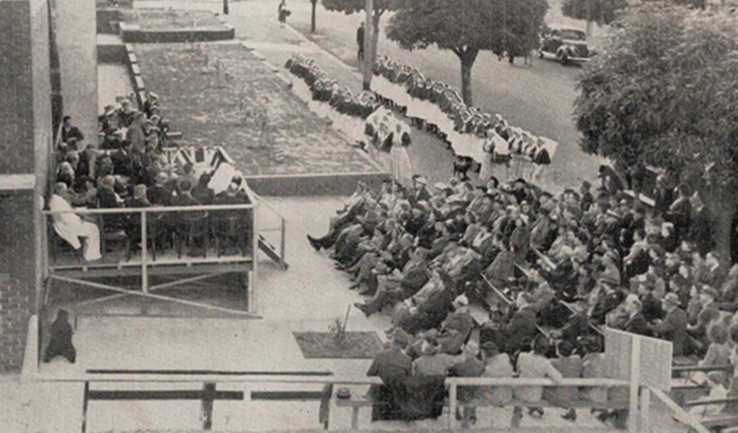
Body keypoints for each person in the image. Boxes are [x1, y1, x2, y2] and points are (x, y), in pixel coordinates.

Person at [514, 336, 563, 420]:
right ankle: (534, 407)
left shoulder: (522, 356)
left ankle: (518, 414)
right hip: (534, 397)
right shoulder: (545, 363)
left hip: (518, 393)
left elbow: (518, 372)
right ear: (545, 349)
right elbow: (558, 379)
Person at [49, 183, 102, 261]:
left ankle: (89, 253)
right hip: (67, 225)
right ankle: (90, 255)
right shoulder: (57, 201)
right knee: (93, 228)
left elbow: (67, 212)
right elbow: (66, 217)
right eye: (64, 190)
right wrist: (80, 219)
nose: (65, 192)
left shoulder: (56, 199)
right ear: (60, 191)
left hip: (67, 223)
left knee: (92, 226)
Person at [543, 340, 582, 421]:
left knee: (543, 391)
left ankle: (534, 408)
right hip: (575, 395)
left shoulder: (553, 362)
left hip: (560, 397)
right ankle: (571, 411)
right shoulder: (577, 359)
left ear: (558, 351)